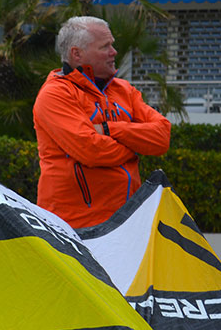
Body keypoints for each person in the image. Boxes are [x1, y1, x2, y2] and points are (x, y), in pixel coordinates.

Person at [33, 15, 170, 228]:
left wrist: (108, 129)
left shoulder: (124, 89)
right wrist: (135, 146)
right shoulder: (55, 94)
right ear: (77, 54)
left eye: (111, 45)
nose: (114, 52)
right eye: (105, 46)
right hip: (74, 227)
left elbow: (161, 137)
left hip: (127, 222)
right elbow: (91, 150)